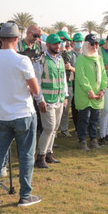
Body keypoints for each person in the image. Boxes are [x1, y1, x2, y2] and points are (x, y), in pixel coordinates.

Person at [0, 21, 43, 212]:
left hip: (4, 115)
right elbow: (35, 88)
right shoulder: (22, 60)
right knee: (26, 155)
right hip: (24, 113)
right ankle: (25, 195)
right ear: (16, 39)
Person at [34, 33, 68, 168]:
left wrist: (65, 96)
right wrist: (40, 99)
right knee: (48, 128)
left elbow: (63, 78)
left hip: (59, 98)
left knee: (54, 128)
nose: (57, 46)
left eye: (59, 43)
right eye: (55, 43)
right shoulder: (41, 60)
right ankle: (40, 157)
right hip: (47, 100)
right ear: (47, 45)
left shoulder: (60, 59)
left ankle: (49, 153)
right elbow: (36, 81)